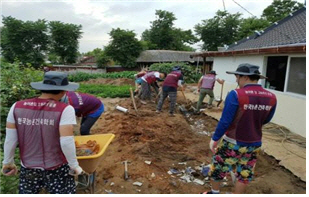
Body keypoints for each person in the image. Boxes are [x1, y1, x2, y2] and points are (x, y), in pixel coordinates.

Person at [1, 71, 83, 194]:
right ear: (63, 91)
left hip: (28, 167)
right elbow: (66, 141)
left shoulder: (16, 107)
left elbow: (11, 139)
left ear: (43, 88)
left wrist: (8, 162)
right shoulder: (65, 109)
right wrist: (74, 165)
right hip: (57, 168)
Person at [205, 63, 277, 194]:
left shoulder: (236, 94)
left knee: (218, 169)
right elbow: (266, 120)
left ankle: (214, 192)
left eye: (237, 77)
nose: (237, 80)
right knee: (244, 174)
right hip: (254, 143)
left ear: (244, 77)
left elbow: (225, 121)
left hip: (233, 142)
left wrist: (215, 138)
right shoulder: (271, 97)